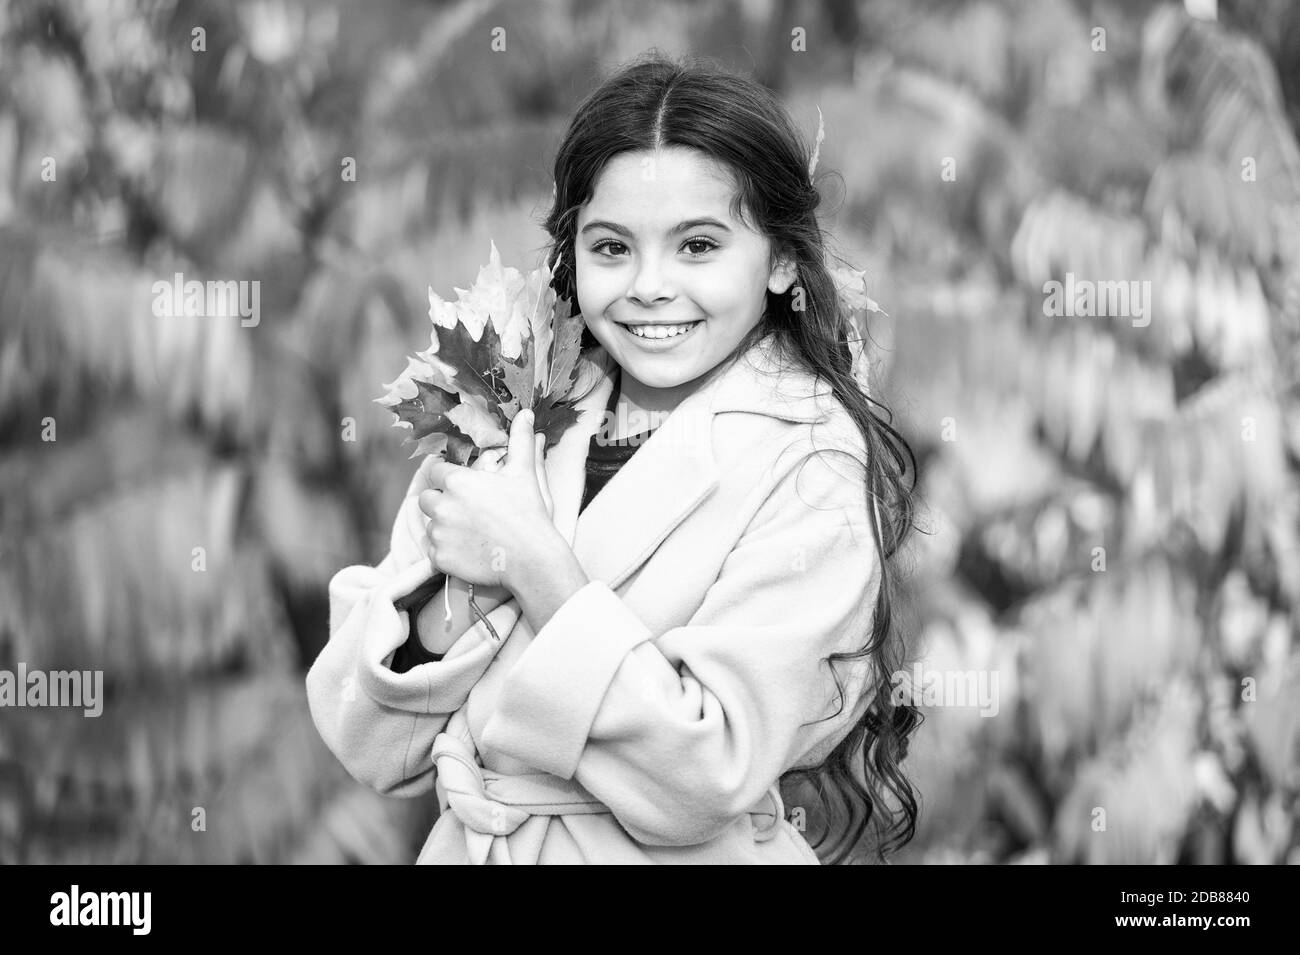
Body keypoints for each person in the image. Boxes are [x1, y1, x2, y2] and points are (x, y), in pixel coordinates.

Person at [306, 51, 921, 865]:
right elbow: (365, 737)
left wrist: (533, 565)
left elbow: (706, 772)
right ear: (573, 255)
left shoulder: (808, 464)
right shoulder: (510, 400)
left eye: (698, 246)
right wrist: (461, 590)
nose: (649, 286)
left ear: (778, 259)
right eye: (611, 247)